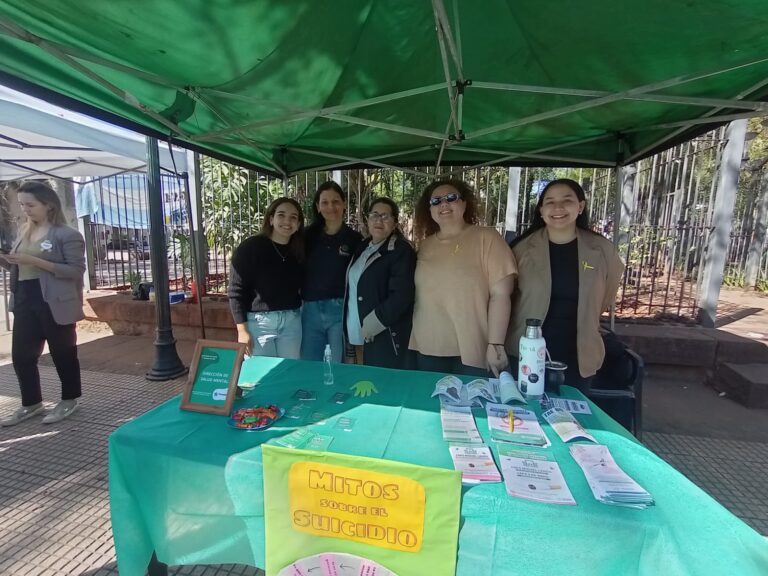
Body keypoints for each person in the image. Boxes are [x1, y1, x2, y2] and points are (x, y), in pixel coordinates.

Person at [506, 178, 624, 393]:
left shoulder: (602, 250)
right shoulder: (521, 249)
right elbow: (508, 297)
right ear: (541, 210)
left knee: (572, 421)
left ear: (581, 206)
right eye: (549, 201)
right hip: (527, 352)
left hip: (579, 355)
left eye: (566, 200)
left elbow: (605, 296)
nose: (557, 207)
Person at [409, 179, 517, 377]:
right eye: (436, 201)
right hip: (428, 346)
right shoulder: (424, 246)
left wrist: (496, 343)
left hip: (475, 347)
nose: (444, 204)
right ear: (429, 210)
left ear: (464, 203)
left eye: (451, 198)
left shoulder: (488, 238)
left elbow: (501, 295)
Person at [0, 181, 86, 426]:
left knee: (63, 354)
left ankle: (69, 400)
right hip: (25, 298)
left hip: (55, 301)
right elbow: (19, 266)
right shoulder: (23, 231)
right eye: (22, 205)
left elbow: (75, 270)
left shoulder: (66, 234)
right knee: (22, 356)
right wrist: (6, 260)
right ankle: (31, 403)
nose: (25, 209)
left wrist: (35, 261)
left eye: (30, 204)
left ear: (48, 205)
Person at [344, 197, 416, 369]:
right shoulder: (363, 246)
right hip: (355, 331)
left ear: (395, 223)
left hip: (381, 333)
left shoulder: (400, 251)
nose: (379, 220)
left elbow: (402, 295)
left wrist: (373, 323)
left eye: (385, 216)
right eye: (374, 215)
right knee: (359, 384)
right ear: (367, 219)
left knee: (378, 385)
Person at [228, 197, 304, 358]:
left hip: (292, 322)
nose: (287, 221)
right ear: (271, 219)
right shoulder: (250, 248)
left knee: (288, 373)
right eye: (281, 215)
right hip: (259, 324)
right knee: (259, 377)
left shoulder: (299, 251)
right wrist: (242, 331)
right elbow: (235, 292)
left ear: (298, 225)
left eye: (293, 217)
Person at [301, 181, 362, 363]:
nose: (331, 207)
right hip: (309, 310)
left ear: (344, 204)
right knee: (309, 364)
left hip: (340, 310)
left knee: (337, 365)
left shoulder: (355, 239)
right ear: (318, 207)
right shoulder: (306, 237)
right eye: (325, 202)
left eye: (336, 201)